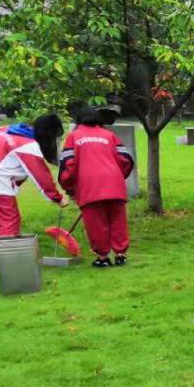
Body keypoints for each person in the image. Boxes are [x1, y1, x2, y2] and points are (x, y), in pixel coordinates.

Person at [58, 106, 135, 268]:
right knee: (118, 220)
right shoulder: (109, 136)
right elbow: (125, 159)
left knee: (96, 223)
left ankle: (103, 257)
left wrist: (68, 185)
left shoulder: (74, 137)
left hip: (89, 186)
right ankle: (121, 255)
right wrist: (118, 177)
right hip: (114, 185)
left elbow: (69, 165)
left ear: (79, 121)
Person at [0, 114, 66, 237]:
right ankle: (9, 254)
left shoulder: (7, 129)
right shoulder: (28, 145)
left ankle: (1, 251)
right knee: (10, 220)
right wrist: (58, 198)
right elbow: (41, 177)